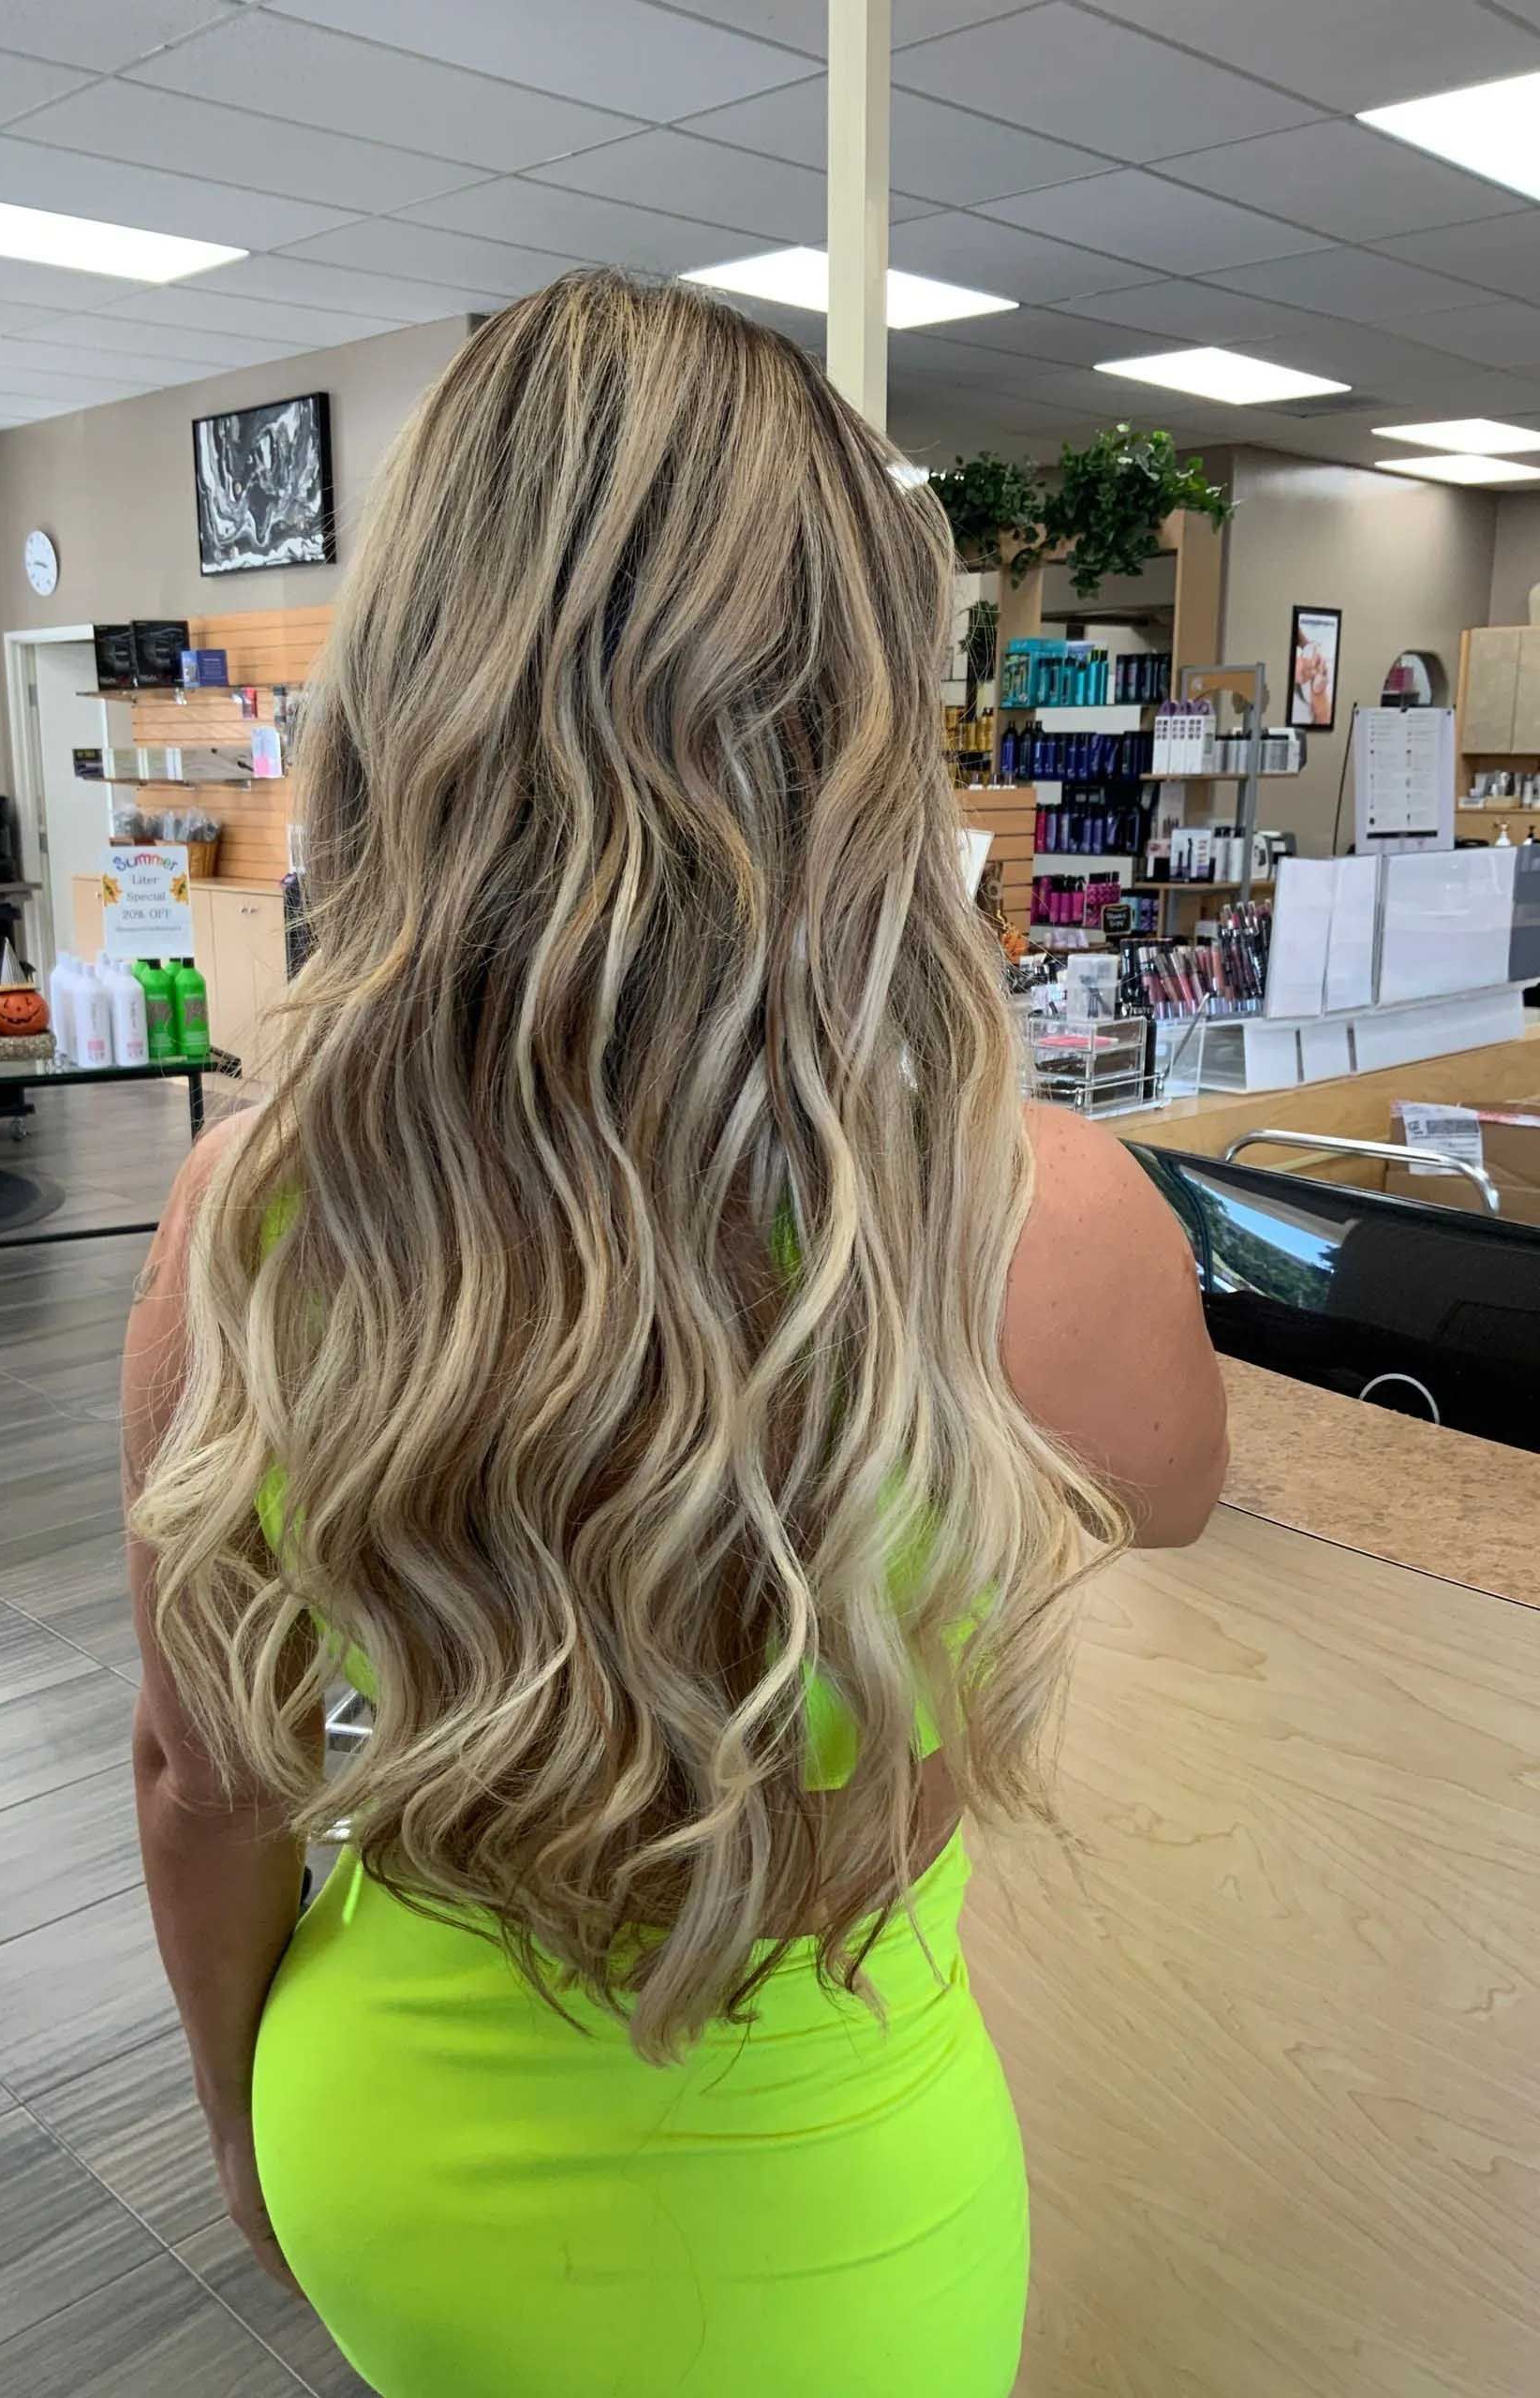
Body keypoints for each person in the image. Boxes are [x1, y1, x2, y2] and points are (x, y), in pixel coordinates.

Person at [124, 270, 1227, 2398]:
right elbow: (1174, 1496)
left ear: (419, 685)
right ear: (851, 705)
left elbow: (198, 1778)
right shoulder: (1034, 1214)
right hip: (819, 2228)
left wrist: (242, 2136)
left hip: (397, 2154)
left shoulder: (243, 1210)